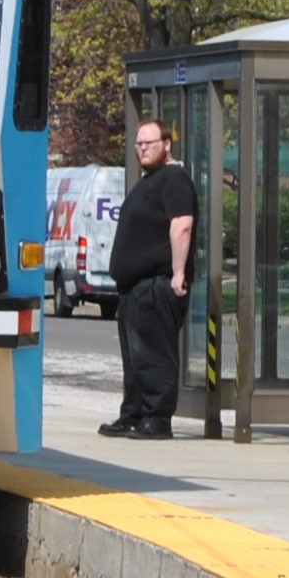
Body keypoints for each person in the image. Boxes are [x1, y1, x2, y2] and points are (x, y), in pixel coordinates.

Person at [104, 118, 196, 437]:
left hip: (155, 286)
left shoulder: (174, 179)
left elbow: (182, 225)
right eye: (139, 144)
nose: (143, 149)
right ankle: (133, 414)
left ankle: (157, 420)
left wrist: (178, 273)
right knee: (135, 358)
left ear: (167, 145)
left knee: (154, 356)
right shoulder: (150, 180)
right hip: (133, 288)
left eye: (150, 143)